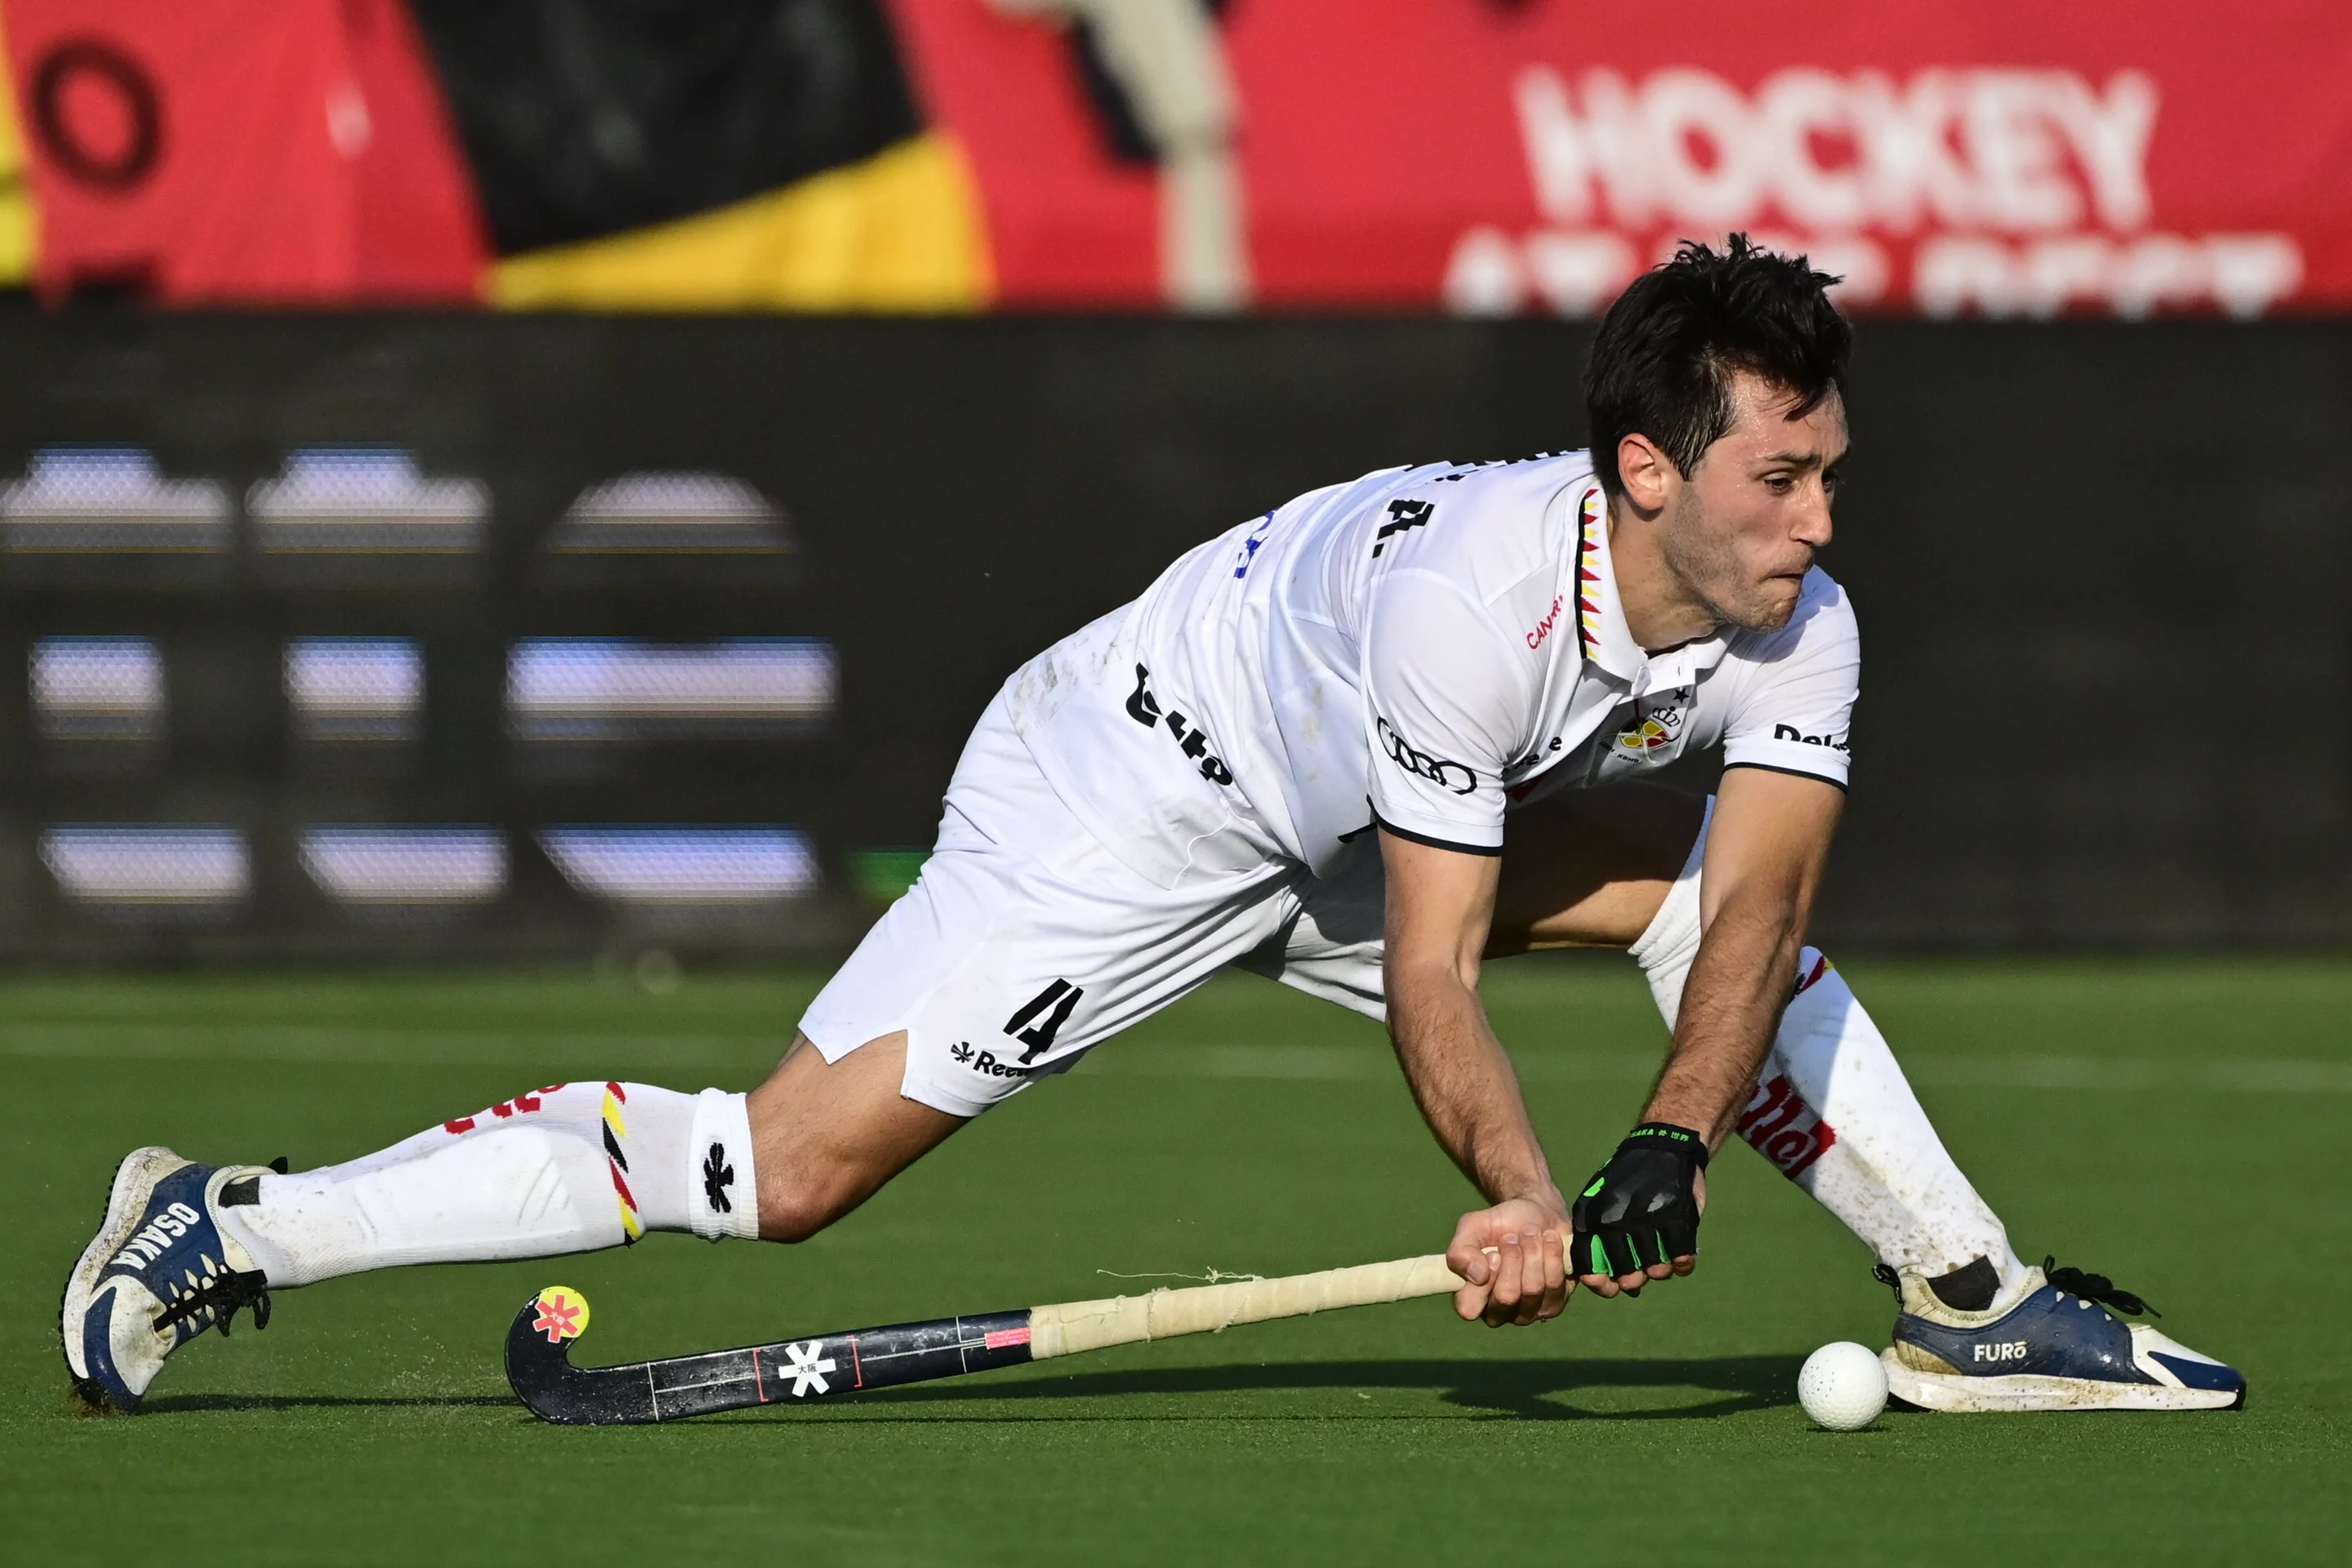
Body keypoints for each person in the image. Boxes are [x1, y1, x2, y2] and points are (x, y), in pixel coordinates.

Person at [64, 238, 2242, 1416]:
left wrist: (1663, 1151)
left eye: (1833, 466)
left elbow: (1754, 911)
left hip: (1364, 831)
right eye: (1786, 473)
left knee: (1709, 926)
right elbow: (1435, 969)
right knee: (778, 1174)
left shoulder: (1797, 615)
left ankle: (1974, 1300)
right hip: (1137, 800)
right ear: (1650, 473)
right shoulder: (1469, 611)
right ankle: (232, 1226)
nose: (1825, 513)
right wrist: (1513, 1186)